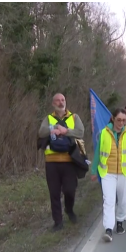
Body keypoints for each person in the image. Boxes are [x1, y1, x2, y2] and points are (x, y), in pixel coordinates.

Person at [95, 108, 126, 243]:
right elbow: (98, 153)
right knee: (109, 201)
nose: (121, 122)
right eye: (119, 120)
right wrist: (94, 171)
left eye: (123, 120)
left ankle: (120, 222)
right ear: (113, 118)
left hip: (125, 174)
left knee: (122, 200)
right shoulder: (104, 132)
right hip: (108, 173)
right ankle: (108, 229)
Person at [38, 92, 85, 230]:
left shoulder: (74, 117)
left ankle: (69, 210)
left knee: (70, 190)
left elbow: (80, 132)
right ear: (53, 103)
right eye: (58, 100)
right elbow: (41, 132)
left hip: (69, 160)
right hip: (51, 162)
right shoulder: (48, 118)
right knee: (54, 193)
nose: (61, 102)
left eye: (63, 99)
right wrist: (53, 129)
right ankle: (58, 222)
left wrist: (65, 131)